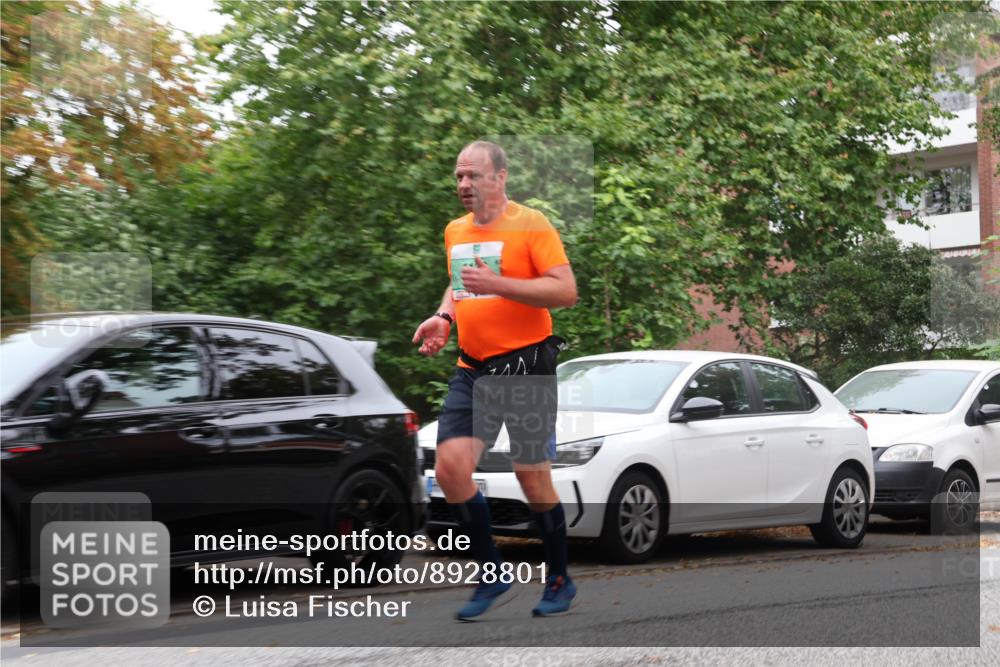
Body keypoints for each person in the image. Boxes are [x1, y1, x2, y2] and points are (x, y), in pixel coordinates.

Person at [412, 140, 578, 621]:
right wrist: (444, 315)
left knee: (532, 476)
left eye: (473, 176)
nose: (464, 185)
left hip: (527, 365)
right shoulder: (455, 231)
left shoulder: (531, 224)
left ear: (499, 178)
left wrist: (500, 284)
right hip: (474, 366)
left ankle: (560, 579)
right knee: (449, 468)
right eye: (459, 176)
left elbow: (565, 291)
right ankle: (492, 571)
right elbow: (461, 282)